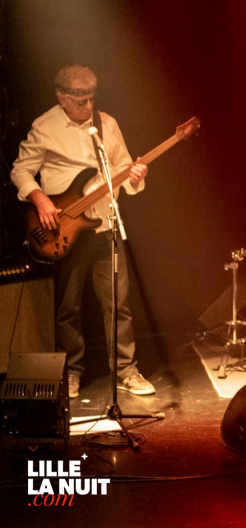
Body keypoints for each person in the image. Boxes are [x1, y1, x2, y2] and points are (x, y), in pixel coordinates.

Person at [10, 65, 155, 399]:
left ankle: (126, 370)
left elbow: (121, 167)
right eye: (80, 102)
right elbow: (21, 170)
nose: (88, 108)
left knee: (118, 304)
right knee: (69, 307)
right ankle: (72, 372)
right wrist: (41, 199)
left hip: (105, 225)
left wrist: (134, 176)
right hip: (65, 229)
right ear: (62, 98)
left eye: (91, 100)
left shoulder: (107, 124)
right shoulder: (45, 127)